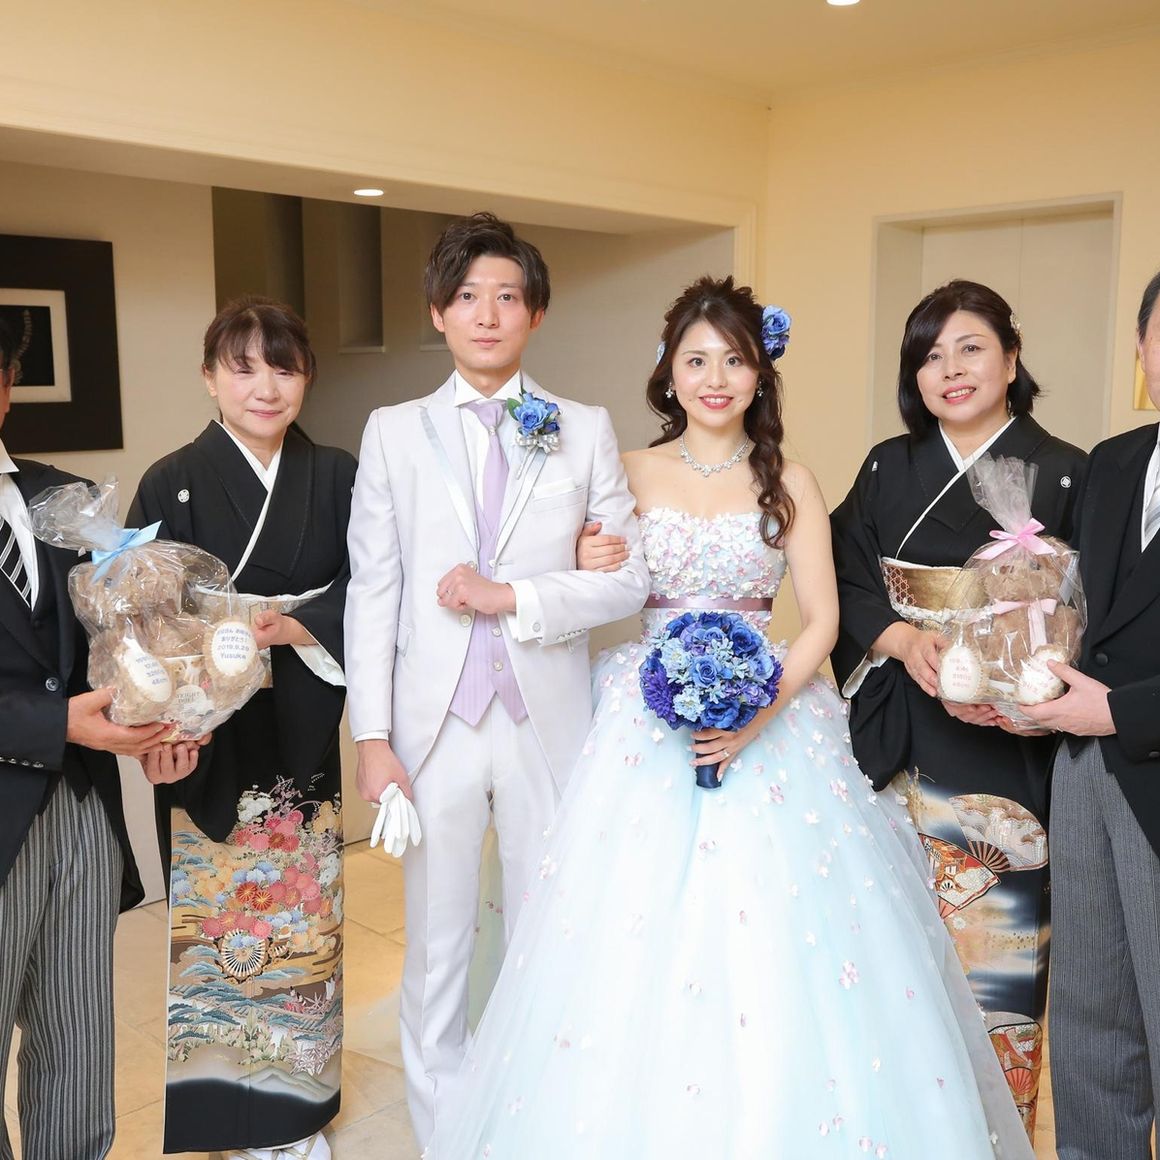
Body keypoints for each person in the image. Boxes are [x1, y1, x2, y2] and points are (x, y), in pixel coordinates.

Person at [427, 276, 1033, 1159]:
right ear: (669, 373)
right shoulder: (625, 469)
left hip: (773, 715)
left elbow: (821, 619)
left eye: (735, 361)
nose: (716, 379)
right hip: (641, 718)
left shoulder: (790, 480)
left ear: (760, 374)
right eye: (697, 361)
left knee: (780, 944)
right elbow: (578, 584)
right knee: (618, 941)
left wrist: (757, 714)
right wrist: (584, 554)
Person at [344, 211, 650, 1151]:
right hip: (431, 727)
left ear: (536, 313)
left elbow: (627, 581)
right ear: (438, 312)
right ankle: (445, 1136)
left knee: (547, 938)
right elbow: (374, 588)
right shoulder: (394, 432)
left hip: (545, 720)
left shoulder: (583, 429)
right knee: (436, 949)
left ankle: (538, 1126)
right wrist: (371, 738)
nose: (487, 315)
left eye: (507, 297)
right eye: (468, 297)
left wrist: (516, 594)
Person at [830, 279, 1086, 1135]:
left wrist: (1034, 685)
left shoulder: (1071, 471)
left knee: (998, 956)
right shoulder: (888, 465)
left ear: (1012, 359)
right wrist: (903, 640)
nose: (951, 369)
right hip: (905, 723)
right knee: (889, 962)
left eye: (971, 348)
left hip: (1014, 744)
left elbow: (1098, 607)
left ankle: (996, 1136)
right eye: (930, 356)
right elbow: (844, 569)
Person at [128, 298, 355, 1160]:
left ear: (307, 378)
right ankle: (230, 1113)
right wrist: (158, 731)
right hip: (205, 733)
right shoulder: (171, 480)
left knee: (301, 924)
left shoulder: (336, 475)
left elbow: (375, 586)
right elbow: (141, 622)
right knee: (217, 922)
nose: (266, 387)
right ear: (209, 377)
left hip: (297, 723)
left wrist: (295, 625)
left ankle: (292, 1117)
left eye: (284, 367)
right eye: (244, 366)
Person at [0, 317, 167, 1158]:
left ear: (6, 384)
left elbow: (120, 639)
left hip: (81, 808)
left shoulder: (64, 499)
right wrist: (50, 723)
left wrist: (166, 713)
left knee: (77, 1041)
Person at [1023, 270, 1160, 1157]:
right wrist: (1025, 680)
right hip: (1083, 773)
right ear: (1142, 349)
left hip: (1142, 750)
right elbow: (1080, 611)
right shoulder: (1113, 459)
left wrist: (1122, 714)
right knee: (1089, 1025)